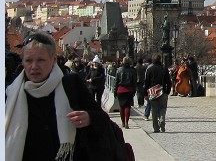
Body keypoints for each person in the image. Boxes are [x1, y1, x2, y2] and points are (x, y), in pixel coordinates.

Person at [6, 31, 108, 160]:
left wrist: (89, 117)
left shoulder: (71, 84)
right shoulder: (11, 92)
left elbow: (103, 121)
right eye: (29, 60)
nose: (34, 67)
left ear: (53, 60)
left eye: (41, 60)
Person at [144, 54, 172, 133]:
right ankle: (162, 119)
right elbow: (168, 82)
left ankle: (156, 128)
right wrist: (167, 91)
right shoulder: (164, 69)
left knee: (154, 110)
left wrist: (145, 94)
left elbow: (146, 82)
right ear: (160, 60)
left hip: (153, 91)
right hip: (162, 91)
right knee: (163, 108)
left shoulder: (150, 69)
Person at [115, 56, 138, 129]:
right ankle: (127, 122)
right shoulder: (133, 70)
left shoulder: (119, 70)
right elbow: (134, 82)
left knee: (121, 106)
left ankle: (122, 122)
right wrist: (134, 90)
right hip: (129, 89)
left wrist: (115, 91)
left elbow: (116, 81)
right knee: (128, 106)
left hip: (120, 89)